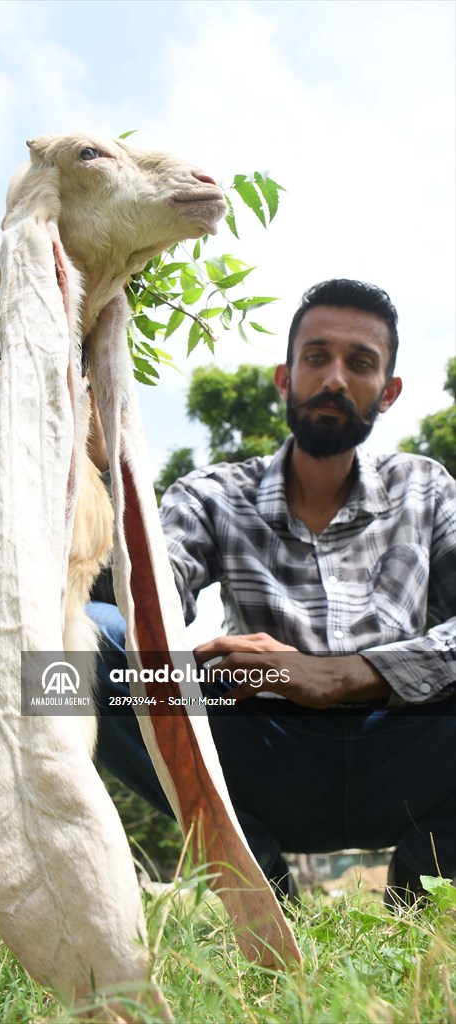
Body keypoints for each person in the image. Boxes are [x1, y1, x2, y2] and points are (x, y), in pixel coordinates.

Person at [88, 278, 456, 905]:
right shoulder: (212, 494)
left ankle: (430, 879)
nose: (335, 378)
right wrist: (96, 479)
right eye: (317, 357)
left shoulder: (426, 488)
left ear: (388, 392)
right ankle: (245, 863)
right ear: (286, 378)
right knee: (82, 644)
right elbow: (147, 591)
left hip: (408, 750)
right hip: (255, 755)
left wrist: (340, 675)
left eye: (360, 362)